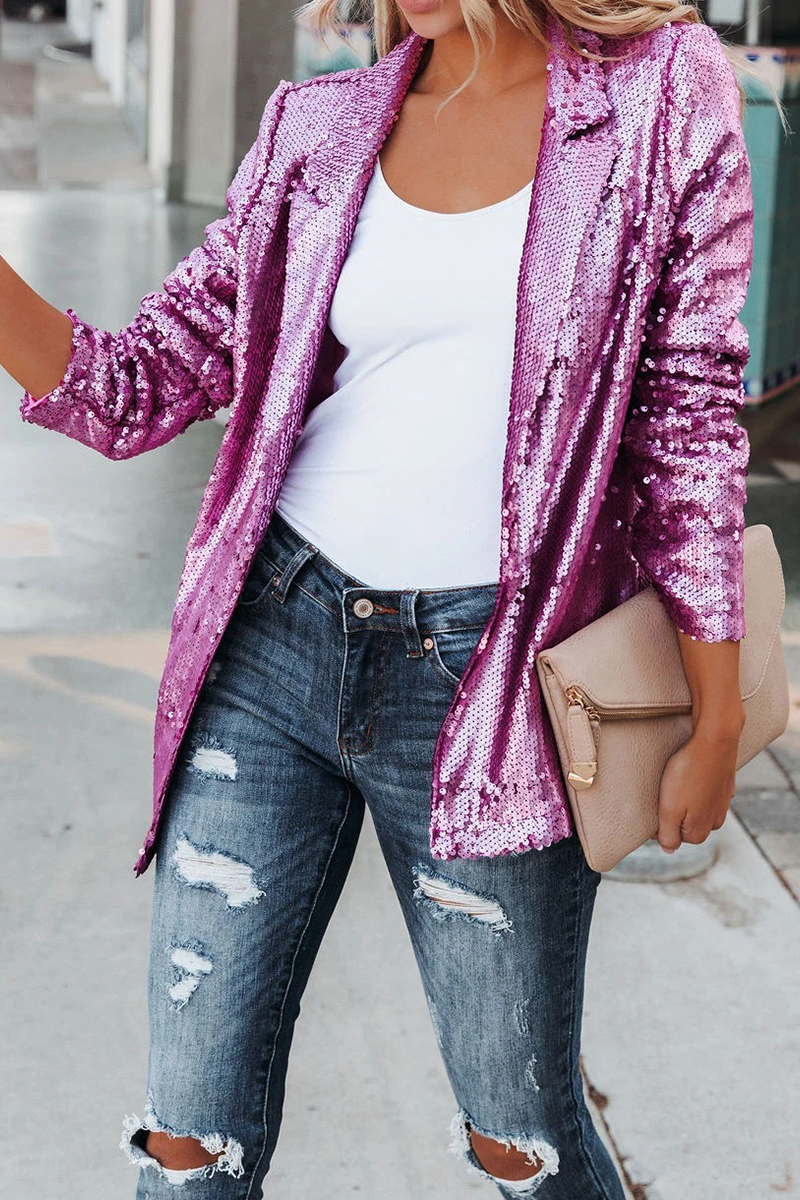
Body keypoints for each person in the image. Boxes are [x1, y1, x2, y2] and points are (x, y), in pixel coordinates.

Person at [1, 0, 759, 1195]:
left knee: (519, 1141)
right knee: (188, 1135)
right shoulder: (318, 125)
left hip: (489, 683)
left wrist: (715, 719)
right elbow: (133, 388)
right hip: (273, 642)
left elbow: (688, 417)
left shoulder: (659, 92)